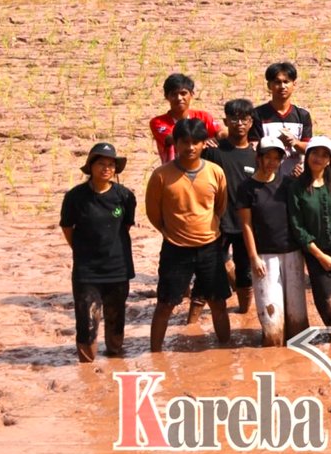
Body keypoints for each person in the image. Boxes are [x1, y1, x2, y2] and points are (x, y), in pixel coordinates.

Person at [146, 118, 231, 352]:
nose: (190, 147)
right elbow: (153, 214)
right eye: (185, 142)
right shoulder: (161, 175)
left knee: (218, 303)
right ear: (176, 143)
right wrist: (172, 231)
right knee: (165, 304)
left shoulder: (215, 172)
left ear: (204, 144)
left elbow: (220, 207)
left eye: (196, 142)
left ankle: (226, 352)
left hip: (210, 247)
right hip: (175, 249)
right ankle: (155, 355)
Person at [60, 142, 135, 362]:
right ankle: (87, 365)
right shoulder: (75, 197)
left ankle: (115, 358)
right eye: (101, 163)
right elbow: (67, 228)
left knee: (116, 318)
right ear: (90, 166)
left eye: (111, 165)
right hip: (87, 271)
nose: (106, 168)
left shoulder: (125, 196)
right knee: (87, 323)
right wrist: (82, 250)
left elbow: (126, 226)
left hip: (118, 267)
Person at [236, 137, 305, 347]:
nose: (272, 162)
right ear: (259, 158)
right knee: (271, 319)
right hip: (264, 255)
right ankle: (272, 350)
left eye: (276, 158)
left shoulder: (288, 183)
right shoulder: (246, 188)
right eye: (268, 157)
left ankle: (295, 360)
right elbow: (246, 225)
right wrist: (253, 257)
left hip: (292, 252)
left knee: (298, 319)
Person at [288, 136, 331, 328]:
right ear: (307, 155)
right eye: (315, 153)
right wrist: (320, 256)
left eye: (324, 155)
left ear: (329, 160)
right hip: (316, 253)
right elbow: (298, 227)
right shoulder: (296, 188)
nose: (318, 158)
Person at [203, 98, 259, 314]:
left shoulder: (256, 155)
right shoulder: (213, 151)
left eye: (244, 119)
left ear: (251, 122)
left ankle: (244, 314)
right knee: (209, 271)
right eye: (234, 119)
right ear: (226, 121)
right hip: (216, 221)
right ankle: (198, 318)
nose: (239, 123)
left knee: (246, 272)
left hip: (245, 223)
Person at [250, 62, 313, 177]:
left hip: (296, 179)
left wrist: (295, 142)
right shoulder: (258, 114)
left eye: (286, 82)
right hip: (267, 178)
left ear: (294, 84)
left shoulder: (302, 115)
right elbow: (254, 148)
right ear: (269, 85)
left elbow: (310, 148)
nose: (282, 86)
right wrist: (277, 142)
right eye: (277, 82)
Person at [149, 72, 218, 164]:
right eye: (174, 94)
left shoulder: (203, 116)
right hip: (173, 169)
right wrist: (203, 141)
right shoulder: (158, 122)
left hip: (203, 167)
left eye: (183, 93)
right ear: (166, 97)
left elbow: (222, 132)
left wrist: (219, 137)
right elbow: (174, 139)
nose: (179, 98)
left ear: (192, 94)